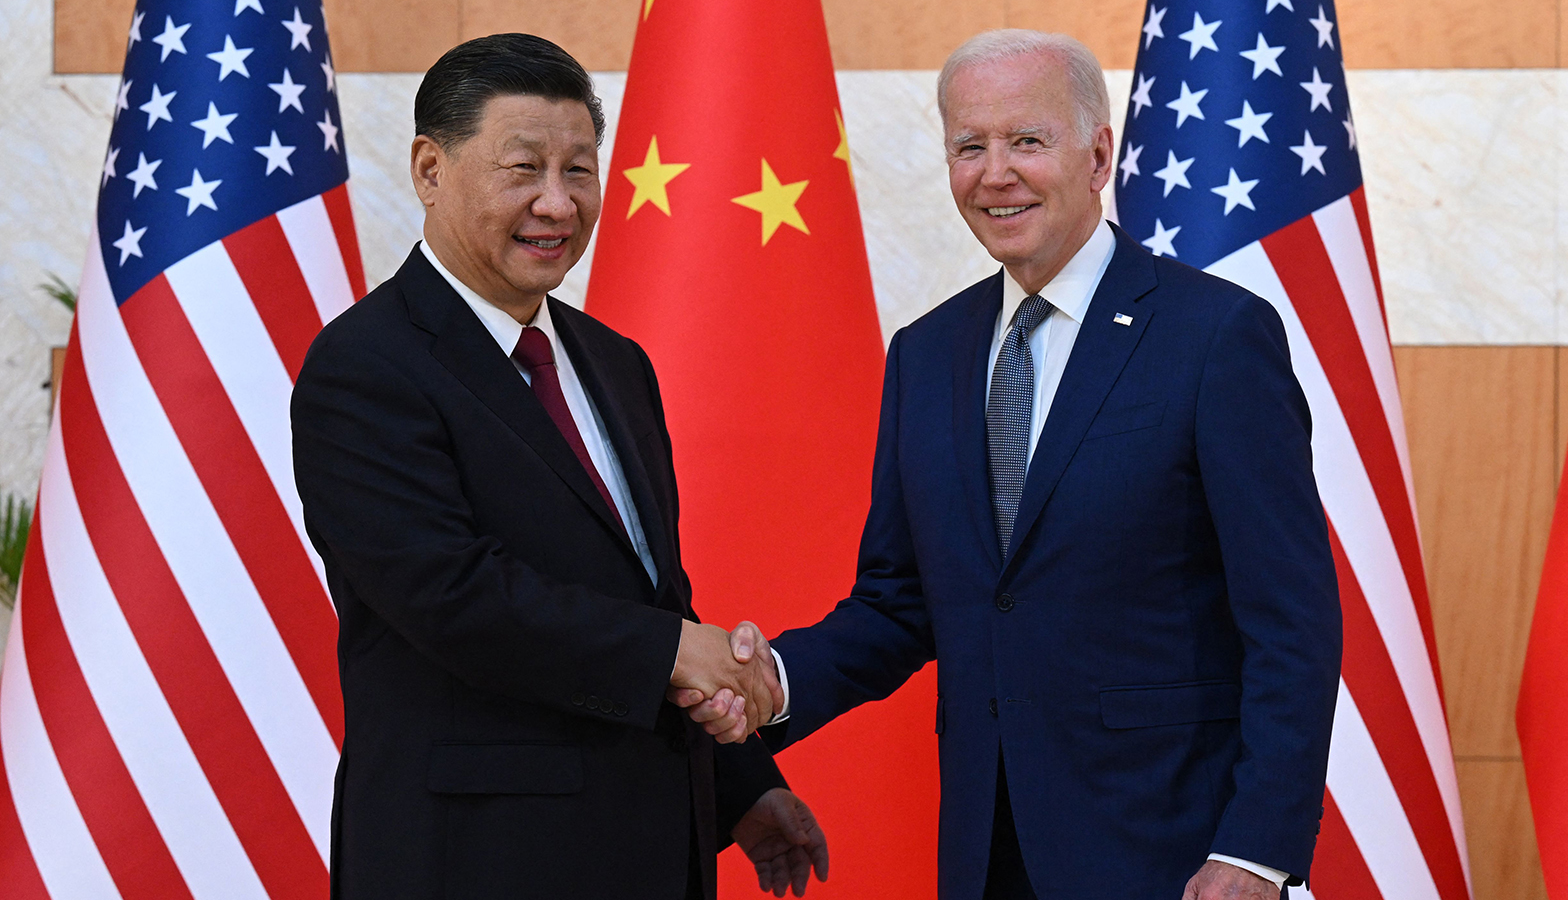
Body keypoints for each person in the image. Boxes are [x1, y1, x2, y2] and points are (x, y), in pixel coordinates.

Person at [683, 28, 1342, 900]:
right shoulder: (926, 353)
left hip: (1178, 851)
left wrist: (1257, 848)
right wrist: (771, 680)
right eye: (970, 146)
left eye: (1027, 140)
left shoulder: (1216, 336)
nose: (995, 173)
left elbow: (1291, 621)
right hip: (989, 852)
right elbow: (899, 601)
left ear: (1098, 153)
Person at [291, 33, 826, 900]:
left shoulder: (614, 362)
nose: (558, 203)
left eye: (580, 170)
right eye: (524, 168)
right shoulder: (366, 366)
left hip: (650, 853)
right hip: (473, 861)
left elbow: (652, 598)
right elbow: (452, 595)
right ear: (431, 169)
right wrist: (672, 652)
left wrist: (741, 786)